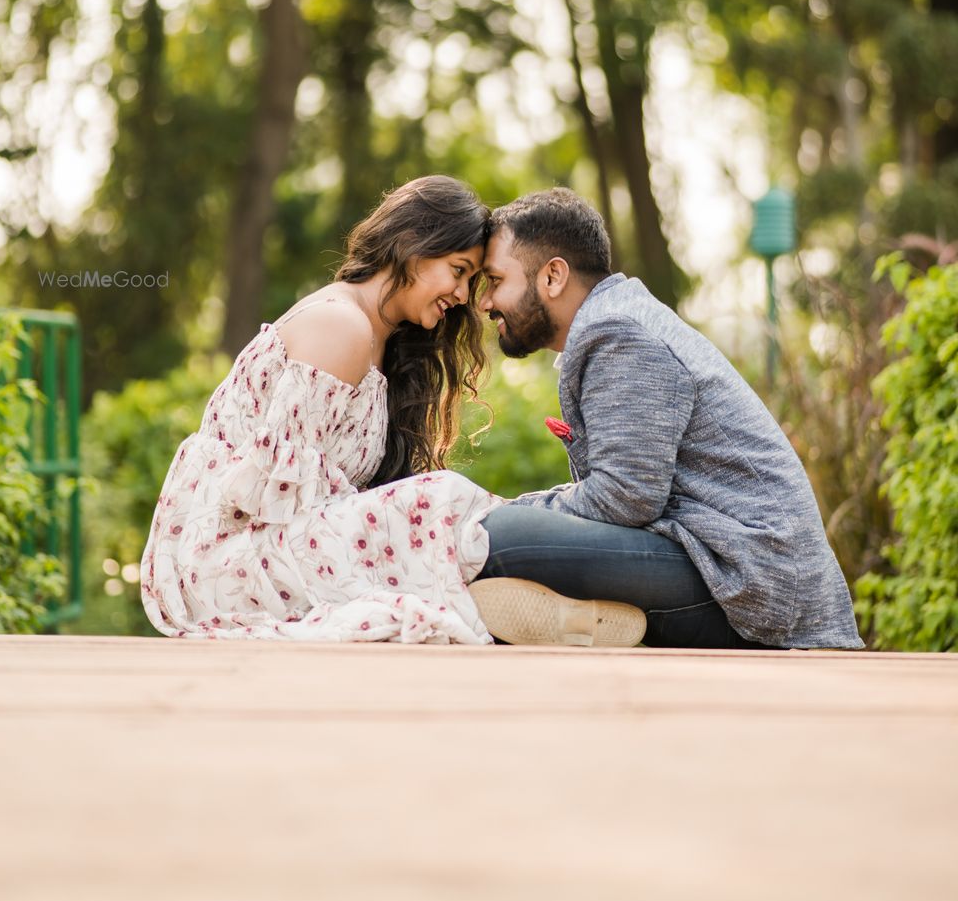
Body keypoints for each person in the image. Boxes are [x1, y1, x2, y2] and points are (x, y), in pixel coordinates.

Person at [469, 188, 865, 651]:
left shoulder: (618, 332)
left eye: (495, 280)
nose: (485, 302)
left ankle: (585, 617)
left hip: (753, 584)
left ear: (553, 275)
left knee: (499, 536)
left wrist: (511, 511)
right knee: (500, 527)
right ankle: (587, 616)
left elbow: (624, 500)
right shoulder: (618, 321)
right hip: (723, 566)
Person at [141, 176, 502, 644]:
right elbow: (277, 508)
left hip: (276, 548)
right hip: (230, 562)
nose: (461, 295)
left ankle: (542, 590)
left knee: (427, 518)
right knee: (436, 501)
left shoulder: (379, 340)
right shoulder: (341, 326)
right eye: (459, 271)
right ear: (415, 246)